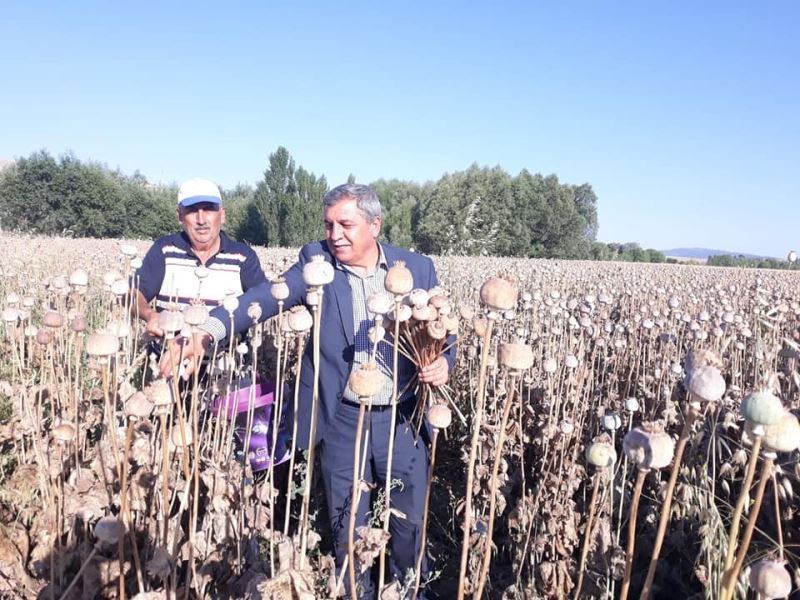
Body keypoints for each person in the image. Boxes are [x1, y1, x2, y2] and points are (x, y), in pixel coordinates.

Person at [159, 183, 455, 597]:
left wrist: (444, 363)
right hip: (342, 416)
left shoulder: (416, 269)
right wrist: (206, 332)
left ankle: (409, 591)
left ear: (375, 225)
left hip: (402, 418)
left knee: (408, 525)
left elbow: (444, 329)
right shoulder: (317, 261)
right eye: (329, 224)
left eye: (346, 224)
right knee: (347, 525)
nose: (335, 234)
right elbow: (262, 298)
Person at [132, 176, 267, 336]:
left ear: (222, 215)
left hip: (226, 357)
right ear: (179, 215)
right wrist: (150, 315)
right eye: (192, 210)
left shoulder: (243, 257)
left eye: (209, 209)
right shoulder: (164, 250)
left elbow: (264, 302)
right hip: (169, 354)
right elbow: (133, 293)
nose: (201, 219)